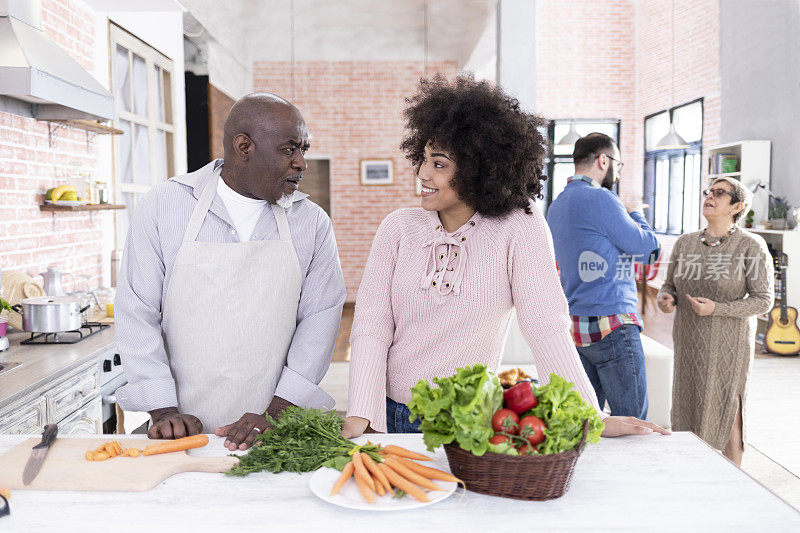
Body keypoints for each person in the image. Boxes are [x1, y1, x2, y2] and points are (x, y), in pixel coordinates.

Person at [342, 74, 668, 439]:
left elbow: (546, 326)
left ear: (477, 169)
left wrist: (589, 415)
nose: (421, 173)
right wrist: (362, 412)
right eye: (423, 159)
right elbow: (371, 326)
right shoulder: (397, 228)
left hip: (467, 424)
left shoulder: (519, 228)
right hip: (389, 416)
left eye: (439, 164)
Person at [115, 93, 346, 451]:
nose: (302, 163)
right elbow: (136, 312)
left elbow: (320, 321)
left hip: (277, 431)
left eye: (304, 149)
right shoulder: (164, 206)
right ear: (243, 146)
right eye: (289, 149)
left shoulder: (312, 223)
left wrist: (277, 413)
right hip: (182, 432)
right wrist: (163, 411)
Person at [657, 177, 773, 465]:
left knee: (726, 411)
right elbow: (669, 285)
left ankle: (734, 483)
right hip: (688, 341)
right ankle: (692, 474)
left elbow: (763, 300)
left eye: (720, 193)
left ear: (737, 206)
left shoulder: (751, 246)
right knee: (689, 406)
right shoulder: (685, 243)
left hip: (728, 346)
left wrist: (717, 309)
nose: (710, 196)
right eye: (709, 191)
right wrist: (666, 298)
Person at [547, 133, 660, 420]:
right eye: (618, 165)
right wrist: (636, 213)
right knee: (632, 423)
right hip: (613, 326)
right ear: (603, 160)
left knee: (588, 425)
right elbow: (648, 252)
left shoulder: (557, 206)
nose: (618, 174)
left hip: (576, 329)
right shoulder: (603, 199)